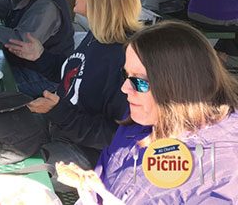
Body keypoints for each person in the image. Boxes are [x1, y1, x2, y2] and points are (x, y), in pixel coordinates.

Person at [87, 22, 238, 203]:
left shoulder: (221, 172)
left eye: (140, 80)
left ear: (178, 86)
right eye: (126, 75)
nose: (124, 88)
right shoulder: (138, 124)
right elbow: (100, 184)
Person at [16, 0, 139, 173]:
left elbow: (118, 133)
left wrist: (59, 112)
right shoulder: (97, 36)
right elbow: (76, 75)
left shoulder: (127, 56)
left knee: (15, 167)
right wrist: (40, 56)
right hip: (59, 130)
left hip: (87, 156)